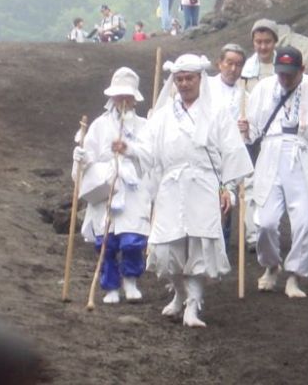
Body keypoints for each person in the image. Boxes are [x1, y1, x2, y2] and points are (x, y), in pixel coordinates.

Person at [117, 54, 253, 327]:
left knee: (199, 247)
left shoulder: (216, 114)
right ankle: (179, 293)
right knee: (167, 248)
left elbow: (232, 152)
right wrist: (128, 149)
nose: (184, 84)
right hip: (171, 185)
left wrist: (227, 188)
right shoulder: (164, 115)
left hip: (204, 185)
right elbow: (148, 149)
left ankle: (193, 305)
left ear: (200, 79)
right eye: (179, 79)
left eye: (189, 78)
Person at [242, 45, 308, 298]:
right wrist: (243, 128)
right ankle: (271, 265)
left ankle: (294, 276)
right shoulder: (263, 88)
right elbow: (252, 133)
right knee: (265, 221)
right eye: (281, 73)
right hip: (271, 152)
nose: (284, 79)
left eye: (290, 74)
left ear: (302, 70)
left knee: (306, 219)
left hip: (303, 152)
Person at [71, 67, 151, 304]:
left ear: (135, 99)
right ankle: (110, 286)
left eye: (128, 96)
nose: (123, 101)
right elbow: (89, 156)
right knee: (106, 241)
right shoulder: (98, 125)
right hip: (106, 185)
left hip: (133, 188)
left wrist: (130, 149)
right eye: (119, 96)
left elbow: (151, 157)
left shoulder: (145, 126)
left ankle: (131, 280)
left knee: (132, 239)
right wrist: (81, 158)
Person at [238, 18, 279, 249]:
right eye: (258, 42)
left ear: (275, 42)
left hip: (276, 133)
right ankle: (253, 234)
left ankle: (269, 228)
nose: (263, 47)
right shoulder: (246, 71)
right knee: (251, 183)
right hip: (252, 134)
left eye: (267, 42)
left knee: (274, 183)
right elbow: (240, 100)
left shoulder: (283, 67)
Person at [207, 43, 248, 248]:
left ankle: (223, 242)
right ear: (219, 64)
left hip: (230, 152)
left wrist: (246, 128)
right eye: (229, 63)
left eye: (238, 65)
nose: (233, 69)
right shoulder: (206, 87)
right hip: (208, 150)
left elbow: (253, 132)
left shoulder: (246, 96)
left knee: (228, 196)